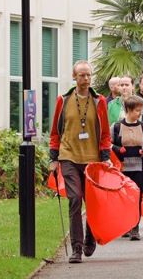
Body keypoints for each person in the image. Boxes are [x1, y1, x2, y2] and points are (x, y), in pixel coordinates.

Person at [49, 60, 112, 264]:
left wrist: (105, 157)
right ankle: (76, 248)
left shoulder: (99, 101)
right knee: (75, 199)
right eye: (82, 75)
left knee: (91, 203)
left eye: (88, 75)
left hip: (92, 160)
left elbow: (105, 133)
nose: (86, 79)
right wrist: (53, 158)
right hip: (68, 156)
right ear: (74, 77)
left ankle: (90, 236)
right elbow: (55, 132)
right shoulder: (63, 100)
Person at [111, 95, 143, 240]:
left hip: (139, 167)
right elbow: (107, 145)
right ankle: (126, 226)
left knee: (136, 198)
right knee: (124, 198)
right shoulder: (117, 127)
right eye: (137, 110)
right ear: (128, 110)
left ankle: (135, 228)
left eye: (140, 110)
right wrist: (117, 149)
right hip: (122, 169)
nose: (140, 113)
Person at [119, 76, 143, 150]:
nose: (124, 87)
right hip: (118, 152)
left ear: (133, 86)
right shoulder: (111, 105)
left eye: (127, 85)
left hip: (141, 151)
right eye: (121, 85)